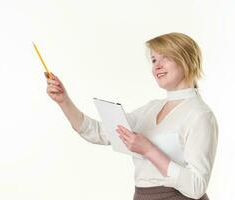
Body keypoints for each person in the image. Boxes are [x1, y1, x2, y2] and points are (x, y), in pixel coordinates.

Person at [45, 32, 218, 200]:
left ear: (187, 59)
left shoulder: (200, 115)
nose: (157, 65)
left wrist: (149, 150)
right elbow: (97, 132)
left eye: (165, 57)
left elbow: (197, 187)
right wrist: (64, 101)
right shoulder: (151, 109)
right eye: (153, 60)